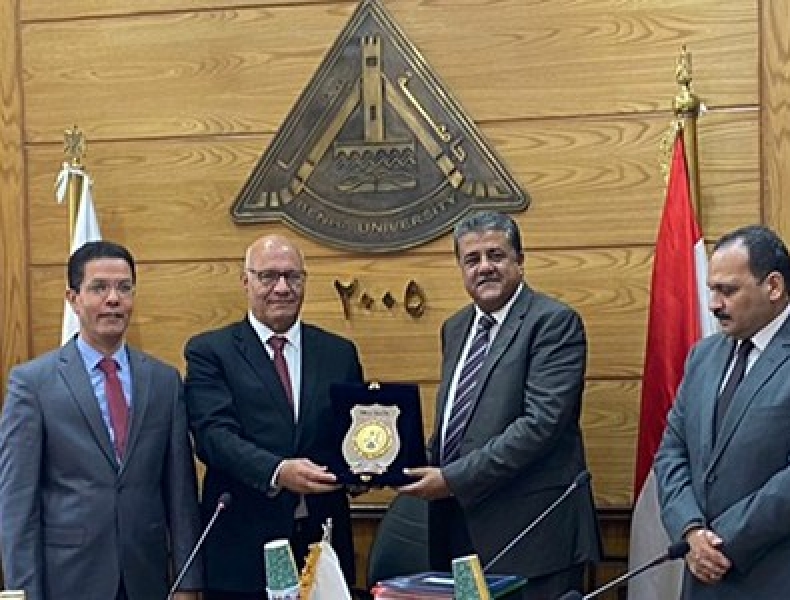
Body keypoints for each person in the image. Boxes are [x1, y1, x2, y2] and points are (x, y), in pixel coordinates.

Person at [654, 225, 790, 599]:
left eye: (728, 291)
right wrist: (690, 530)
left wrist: (719, 542)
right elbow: (671, 453)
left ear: (773, 286)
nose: (714, 304)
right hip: (709, 577)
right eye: (711, 290)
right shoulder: (703, 356)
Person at [399, 211, 601, 599]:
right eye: (472, 259)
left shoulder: (553, 322)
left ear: (519, 261)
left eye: (496, 255)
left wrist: (452, 479)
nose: (485, 267)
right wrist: (392, 467)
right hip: (458, 525)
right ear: (461, 268)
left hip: (532, 535)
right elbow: (457, 423)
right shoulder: (455, 327)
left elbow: (540, 426)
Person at [0, 240, 202, 600]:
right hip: (69, 578)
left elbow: (181, 492)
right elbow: (18, 502)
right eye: (99, 288)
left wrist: (188, 581)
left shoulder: (163, 381)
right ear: (73, 298)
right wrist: (22, 592)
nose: (113, 299)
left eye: (124, 288)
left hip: (146, 576)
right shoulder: (33, 384)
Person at [184, 234, 363, 599]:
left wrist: (364, 469)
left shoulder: (339, 353)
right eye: (268, 276)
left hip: (323, 547)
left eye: (292, 276)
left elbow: (351, 434)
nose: (282, 288)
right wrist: (278, 471)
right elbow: (213, 437)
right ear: (245, 281)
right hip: (243, 552)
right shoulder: (210, 352)